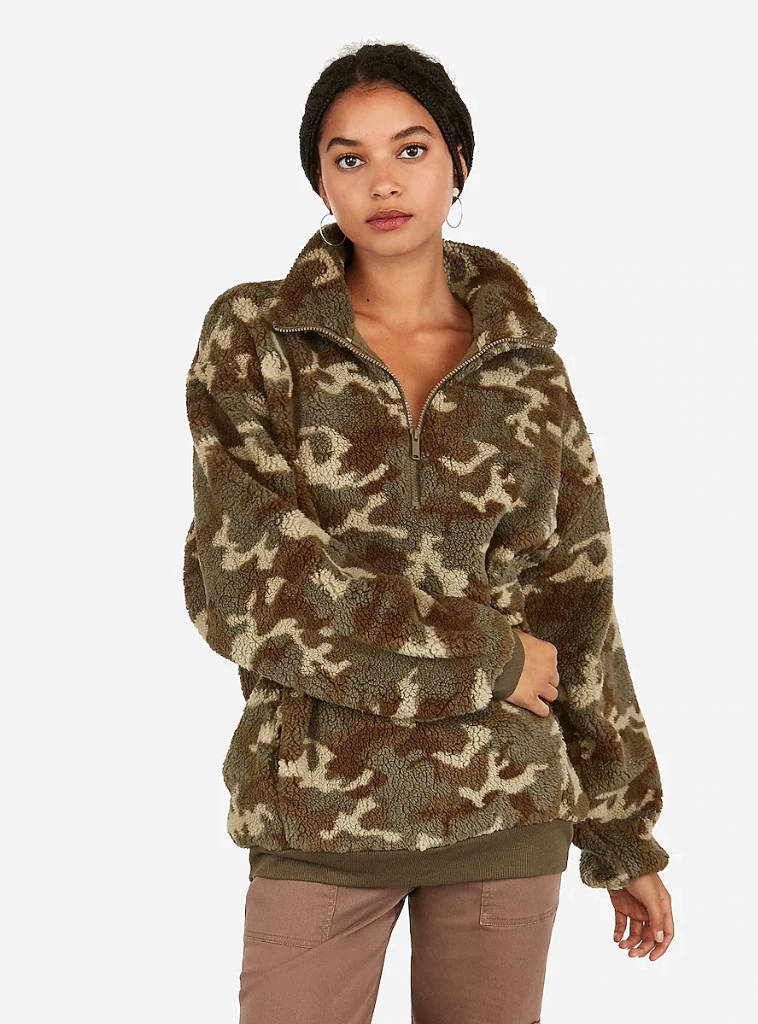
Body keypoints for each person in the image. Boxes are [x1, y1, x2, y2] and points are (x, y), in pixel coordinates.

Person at [183, 40, 674, 1024]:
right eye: (349, 157)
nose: (383, 181)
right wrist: (487, 656)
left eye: (410, 150)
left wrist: (622, 831)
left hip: (507, 810)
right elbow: (249, 589)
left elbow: (575, 601)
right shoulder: (257, 337)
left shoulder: (525, 366)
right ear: (320, 181)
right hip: (318, 817)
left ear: (458, 161)